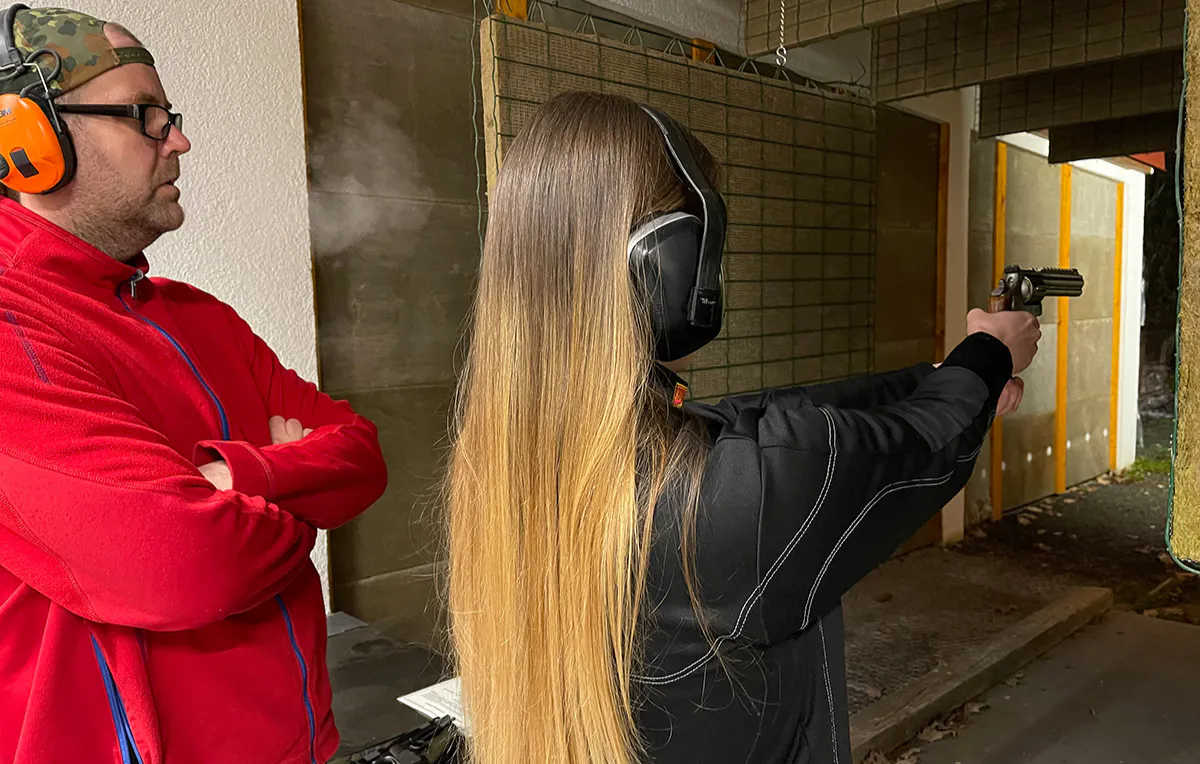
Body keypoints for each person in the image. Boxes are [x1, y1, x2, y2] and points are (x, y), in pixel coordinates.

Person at [444, 90, 1038, 764]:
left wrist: (943, 369)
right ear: (663, 265)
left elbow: (757, 414)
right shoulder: (733, 496)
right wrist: (990, 352)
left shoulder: (501, 463)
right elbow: (926, 443)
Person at [0, 6, 387, 764]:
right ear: (29, 142)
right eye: (145, 115)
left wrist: (241, 475)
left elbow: (363, 458)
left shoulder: (199, 316)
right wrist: (298, 502)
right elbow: (186, 565)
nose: (178, 139)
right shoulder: (13, 323)